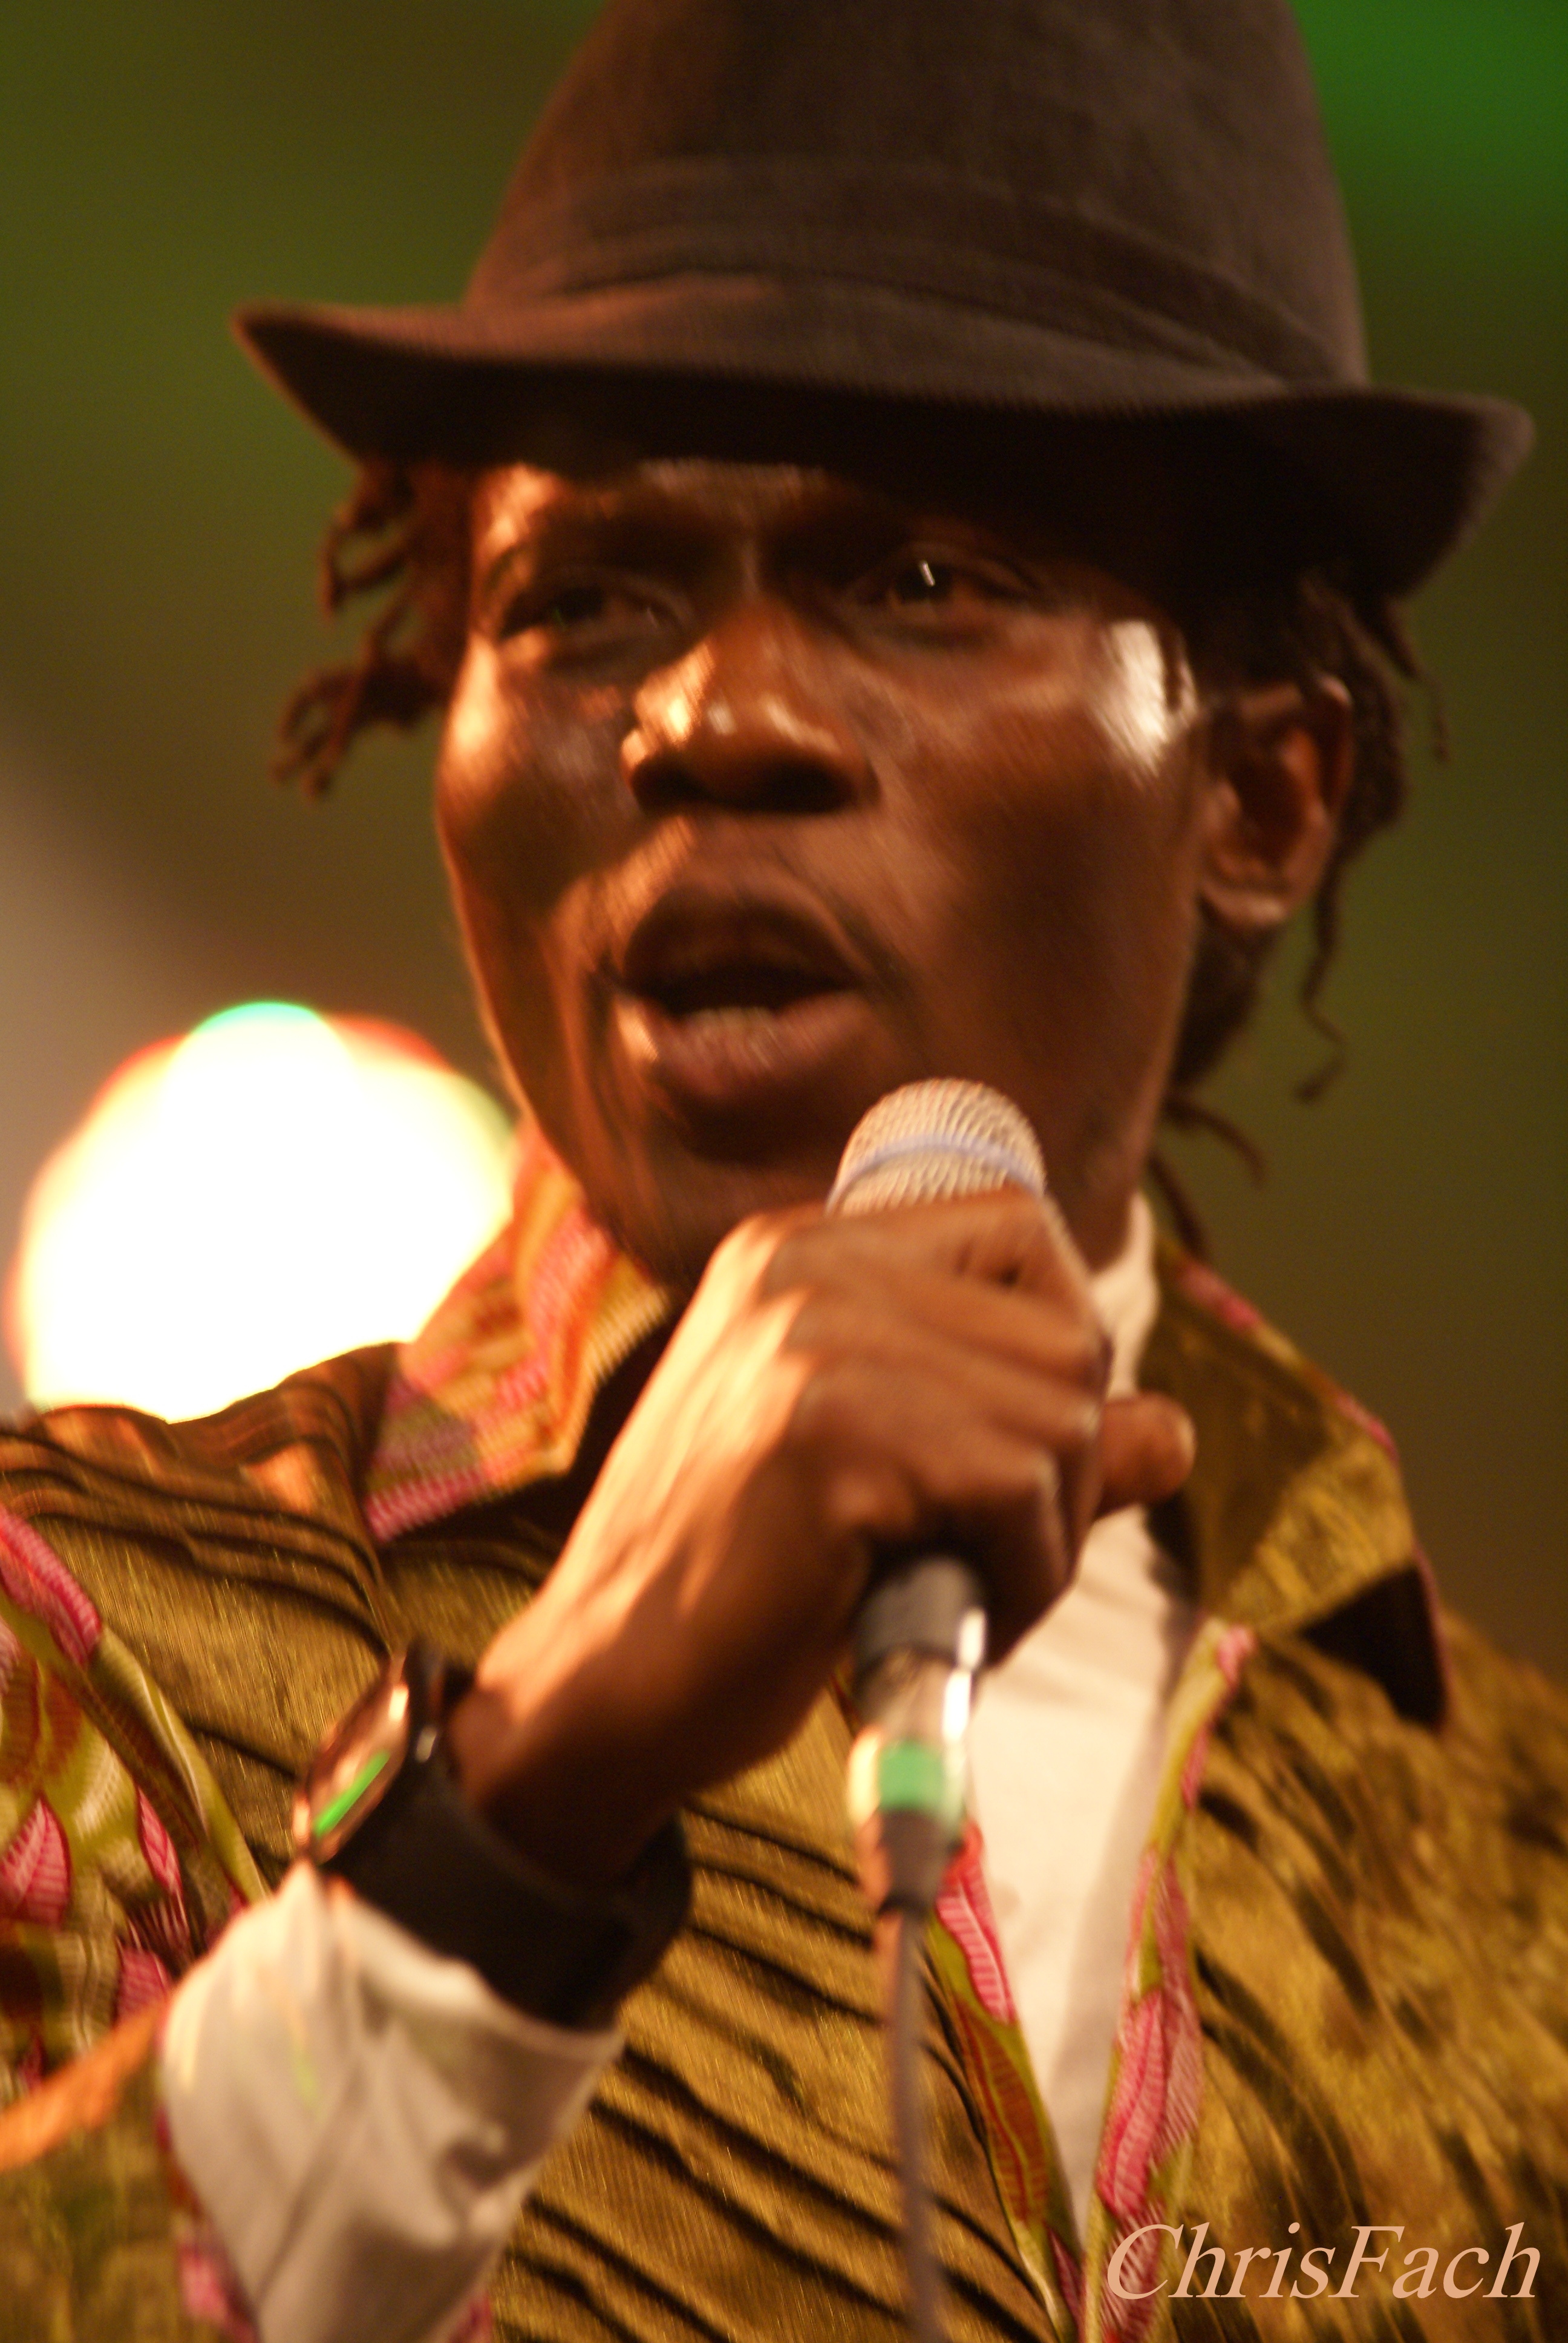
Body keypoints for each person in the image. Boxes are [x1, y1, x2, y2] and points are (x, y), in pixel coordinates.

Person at [1, 1, 1564, 2337]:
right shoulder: (79, 1642)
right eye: (580, 598)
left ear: (1262, 795)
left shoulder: (1519, 1875)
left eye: (919, 578)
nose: (711, 716)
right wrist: (523, 1802)